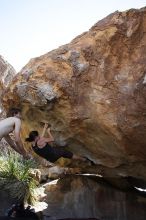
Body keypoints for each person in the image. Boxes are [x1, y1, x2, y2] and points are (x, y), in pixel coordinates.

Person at [25, 123, 89, 163]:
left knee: (64, 154)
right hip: (55, 154)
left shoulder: (33, 145)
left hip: (51, 159)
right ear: (36, 137)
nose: (39, 136)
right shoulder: (40, 141)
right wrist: (48, 131)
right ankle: (83, 159)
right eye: (38, 135)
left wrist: (44, 128)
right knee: (66, 153)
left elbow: (41, 138)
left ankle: (81, 159)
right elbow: (52, 139)